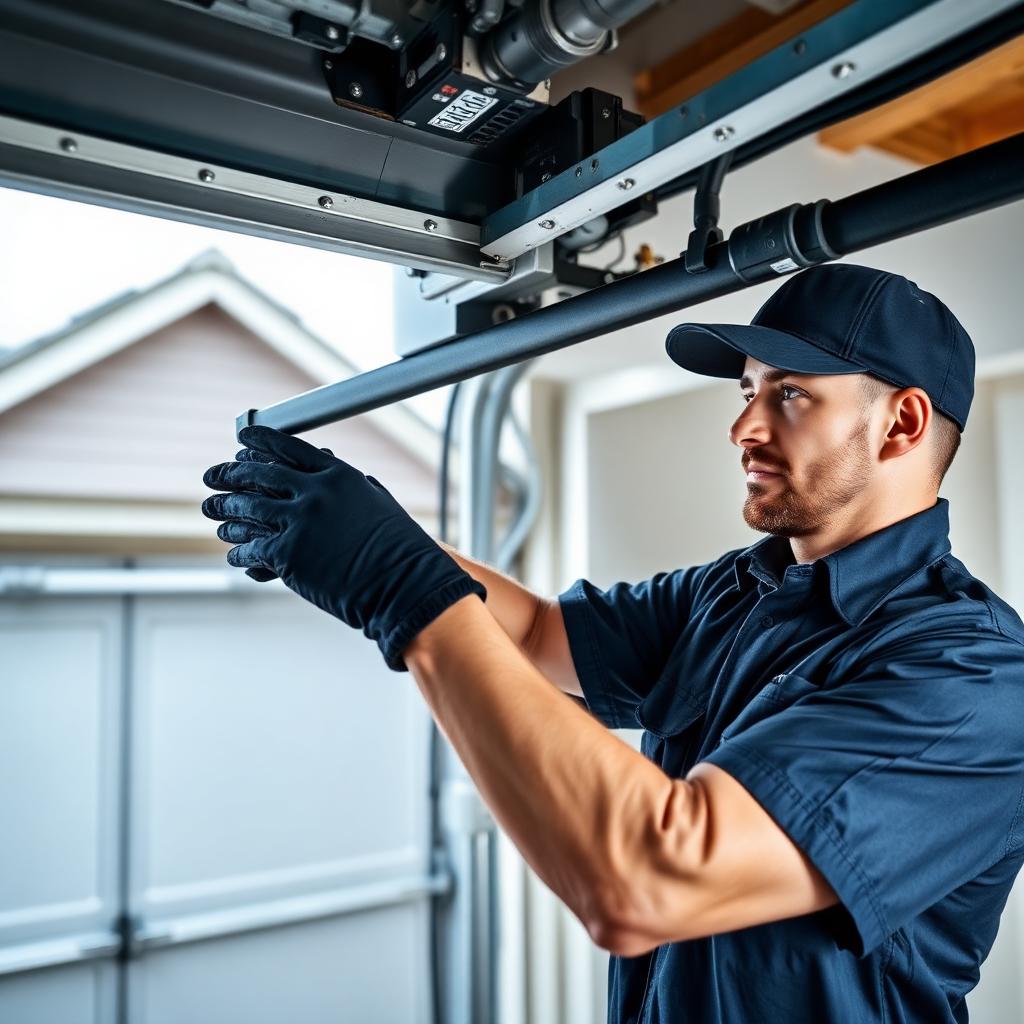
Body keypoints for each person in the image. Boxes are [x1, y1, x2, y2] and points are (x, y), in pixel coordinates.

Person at [202, 262, 1024, 1023]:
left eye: (791, 394)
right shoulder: (735, 592)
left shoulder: (971, 678)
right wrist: (356, 527)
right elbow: (532, 631)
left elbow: (648, 879)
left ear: (901, 424)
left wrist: (399, 585)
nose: (742, 426)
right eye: (745, 391)